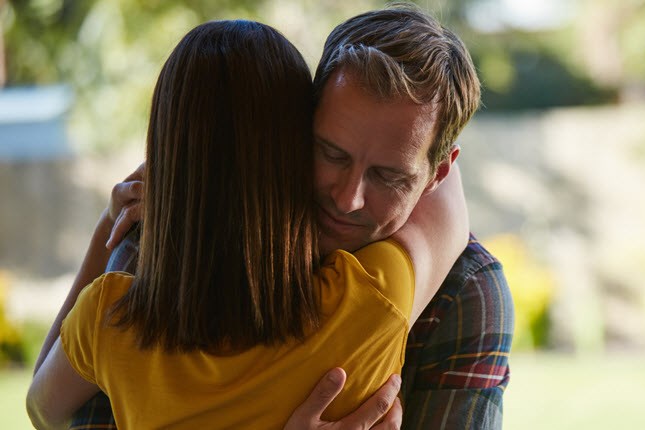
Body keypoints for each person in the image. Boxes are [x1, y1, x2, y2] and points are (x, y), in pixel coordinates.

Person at [51, 5, 512, 429]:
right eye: (330, 153)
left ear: (438, 173)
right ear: (295, 129)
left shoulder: (464, 291)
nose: (348, 199)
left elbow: (44, 405)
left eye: (389, 176)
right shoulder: (162, 251)